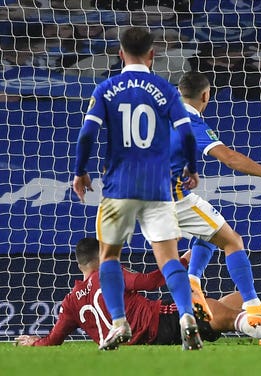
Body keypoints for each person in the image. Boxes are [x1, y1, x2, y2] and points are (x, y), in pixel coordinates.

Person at [71, 26, 202, 351]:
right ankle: (187, 315)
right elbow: (186, 135)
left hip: (118, 185)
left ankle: (119, 322)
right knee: (168, 259)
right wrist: (191, 168)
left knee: (109, 255)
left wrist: (80, 171)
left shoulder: (106, 88)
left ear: (119, 54)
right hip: (158, 185)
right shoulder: (165, 89)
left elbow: (86, 135)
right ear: (152, 55)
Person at [14, 238, 261, 347]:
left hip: (145, 333)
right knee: (212, 308)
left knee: (236, 300)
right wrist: (179, 262)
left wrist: (34, 341)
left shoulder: (70, 302)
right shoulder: (107, 273)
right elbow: (149, 283)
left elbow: (53, 339)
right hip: (159, 325)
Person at [171, 71, 261, 325]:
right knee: (232, 241)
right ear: (206, 96)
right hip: (170, 196)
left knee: (208, 229)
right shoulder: (191, 122)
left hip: (134, 194)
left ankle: (193, 280)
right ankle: (252, 306)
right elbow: (228, 157)